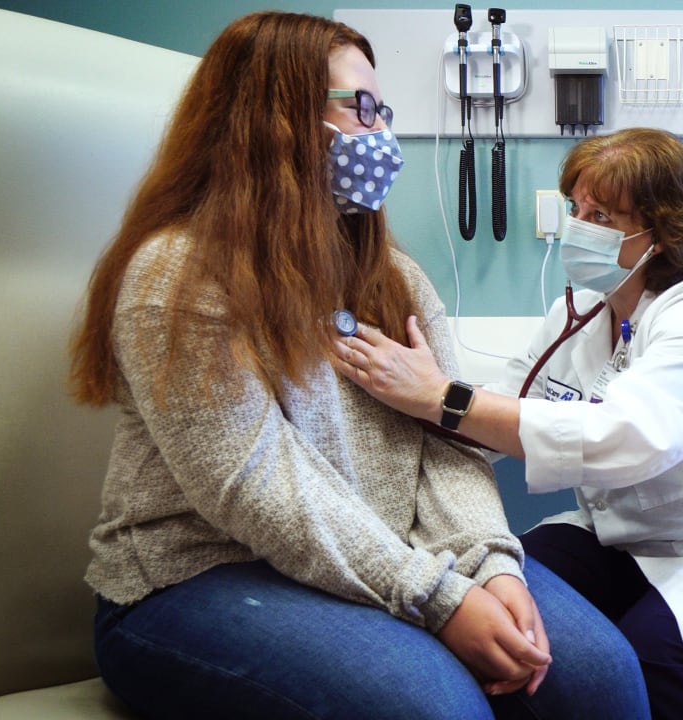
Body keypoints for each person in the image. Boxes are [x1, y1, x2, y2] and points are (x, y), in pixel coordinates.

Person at [67, 11, 648, 720]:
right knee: (434, 706)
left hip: (389, 556)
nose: (382, 133)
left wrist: (489, 565)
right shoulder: (177, 279)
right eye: (362, 107)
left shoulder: (392, 278)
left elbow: (444, 446)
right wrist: (438, 598)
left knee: (601, 678)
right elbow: (255, 487)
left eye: (383, 109)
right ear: (272, 120)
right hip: (200, 575)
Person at [335, 127, 683, 719]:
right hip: (623, 539)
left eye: (602, 214)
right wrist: (395, 392)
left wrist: (439, 397)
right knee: (499, 589)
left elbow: (629, 440)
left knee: (642, 661)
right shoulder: (575, 315)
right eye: (576, 208)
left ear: (661, 233)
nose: (577, 227)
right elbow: (499, 406)